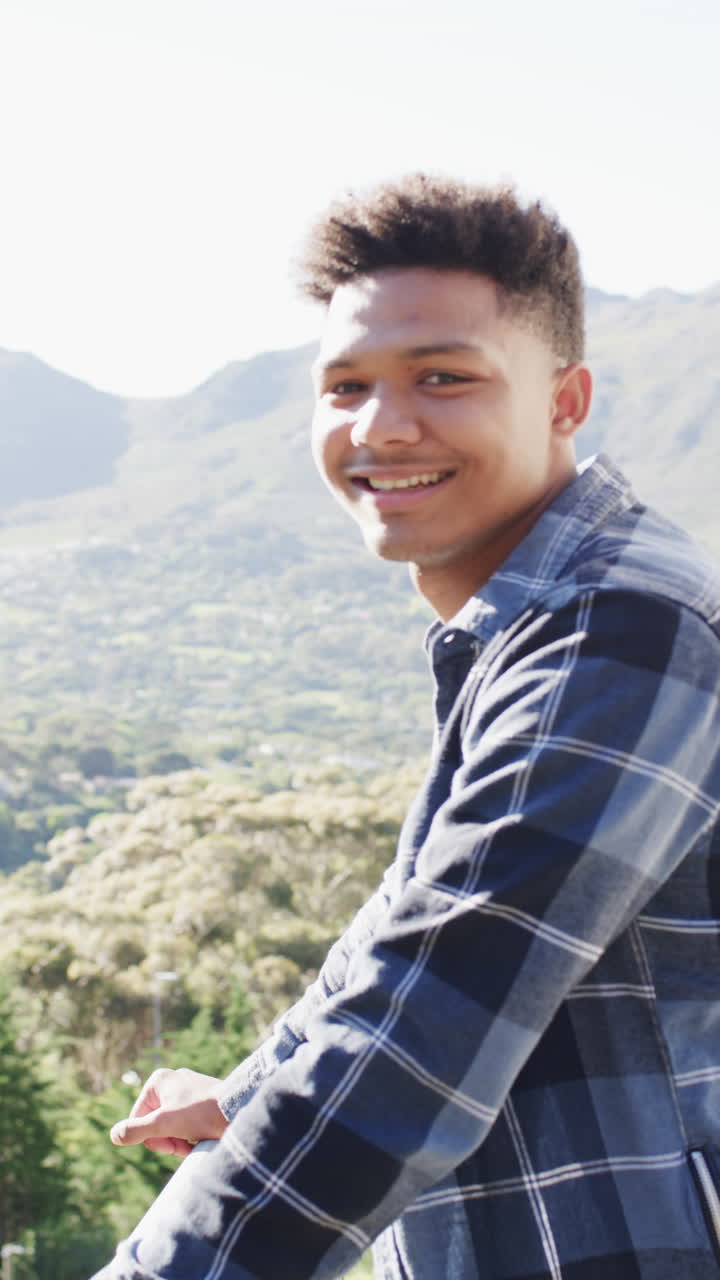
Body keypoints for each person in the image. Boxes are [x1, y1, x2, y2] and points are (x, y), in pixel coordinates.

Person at [94, 175, 720, 1279]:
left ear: (566, 400)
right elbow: (411, 926)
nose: (381, 427)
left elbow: (422, 1028)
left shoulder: (622, 627)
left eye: (444, 376)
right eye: (346, 386)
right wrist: (242, 1092)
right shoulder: (531, 620)